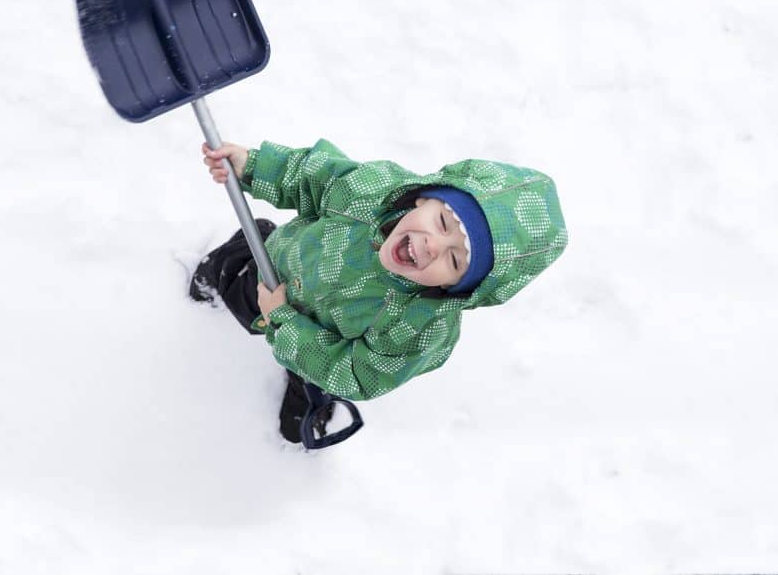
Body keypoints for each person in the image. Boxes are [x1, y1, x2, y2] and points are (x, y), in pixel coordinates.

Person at [190, 139, 567, 444]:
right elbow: (314, 175)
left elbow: (357, 372)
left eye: (454, 261)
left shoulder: (420, 326)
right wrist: (254, 166)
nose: (433, 245)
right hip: (276, 263)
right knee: (239, 284)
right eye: (441, 222)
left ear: (456, 288)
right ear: (426, 197)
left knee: (313, 373)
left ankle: (306, 389)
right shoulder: (370, 191)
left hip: (326, 337)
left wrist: (284, 321)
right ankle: (226, 266)